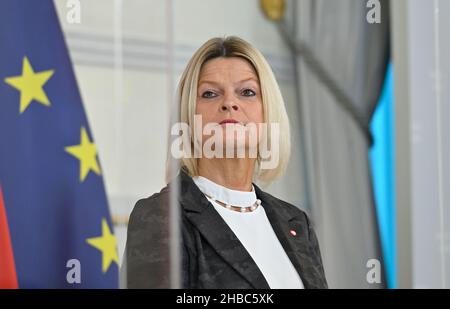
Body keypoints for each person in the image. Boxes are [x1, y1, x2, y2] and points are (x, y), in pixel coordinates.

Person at [125, 36, 327, 289]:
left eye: (247, 92)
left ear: (268, 112)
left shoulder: (297, 223)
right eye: (210, 93)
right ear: (189, 115)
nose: (229, 103)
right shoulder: (161, 216)